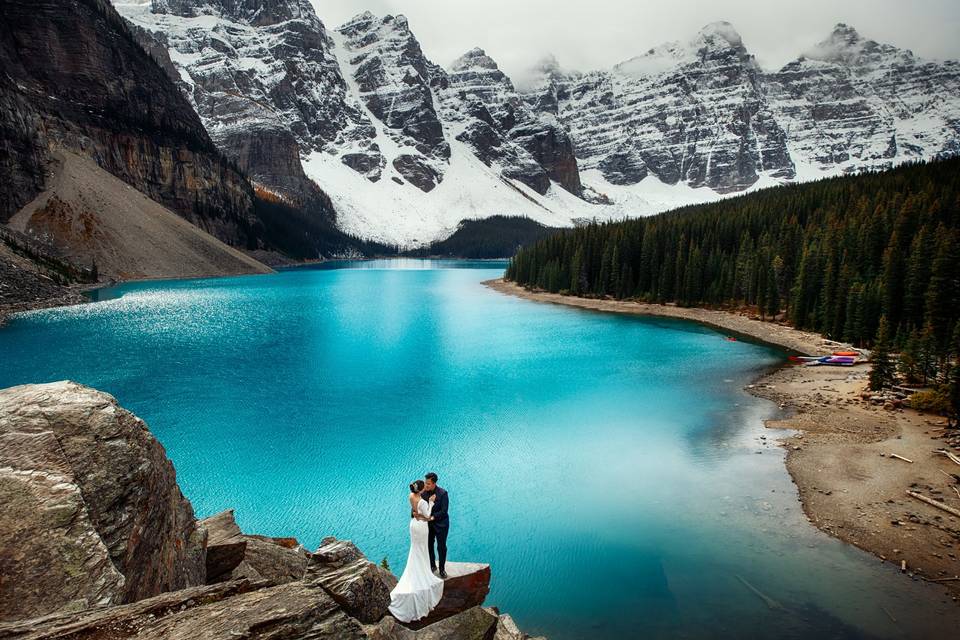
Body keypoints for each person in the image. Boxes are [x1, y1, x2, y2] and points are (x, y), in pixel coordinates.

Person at [388, 479, 445, 622]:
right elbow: (426, 516)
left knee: (415, 550)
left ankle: (414, 573)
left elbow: (415, 512)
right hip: (421, 526)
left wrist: (416, 514)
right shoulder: (423, 501)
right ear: (420, 490)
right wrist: (431, 502)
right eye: (423, 486)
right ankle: (422, 574)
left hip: (413, 525)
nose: (426, 487)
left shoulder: (410, 496)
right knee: (421, 550)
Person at [420, 472, 449, 578]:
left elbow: (444, 511)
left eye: (428, 484)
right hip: (428, 525)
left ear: (434, 483)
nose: (425, 485)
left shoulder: (443, 493)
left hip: (441, 524)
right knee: (429, 545)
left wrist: (432, 517)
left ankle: (442, 569)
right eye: (425, 483)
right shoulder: (423, 494)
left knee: (441, 547)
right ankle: (432, 565)